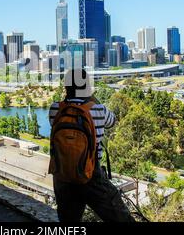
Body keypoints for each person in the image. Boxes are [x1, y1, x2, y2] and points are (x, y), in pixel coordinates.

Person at [49, 69, 135, 222]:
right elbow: (112, 121)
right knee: (120, 216)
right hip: (91, 176)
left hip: (62, 174)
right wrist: (91, 98)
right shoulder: (98, 110)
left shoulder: (55, 109)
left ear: (66, 87)